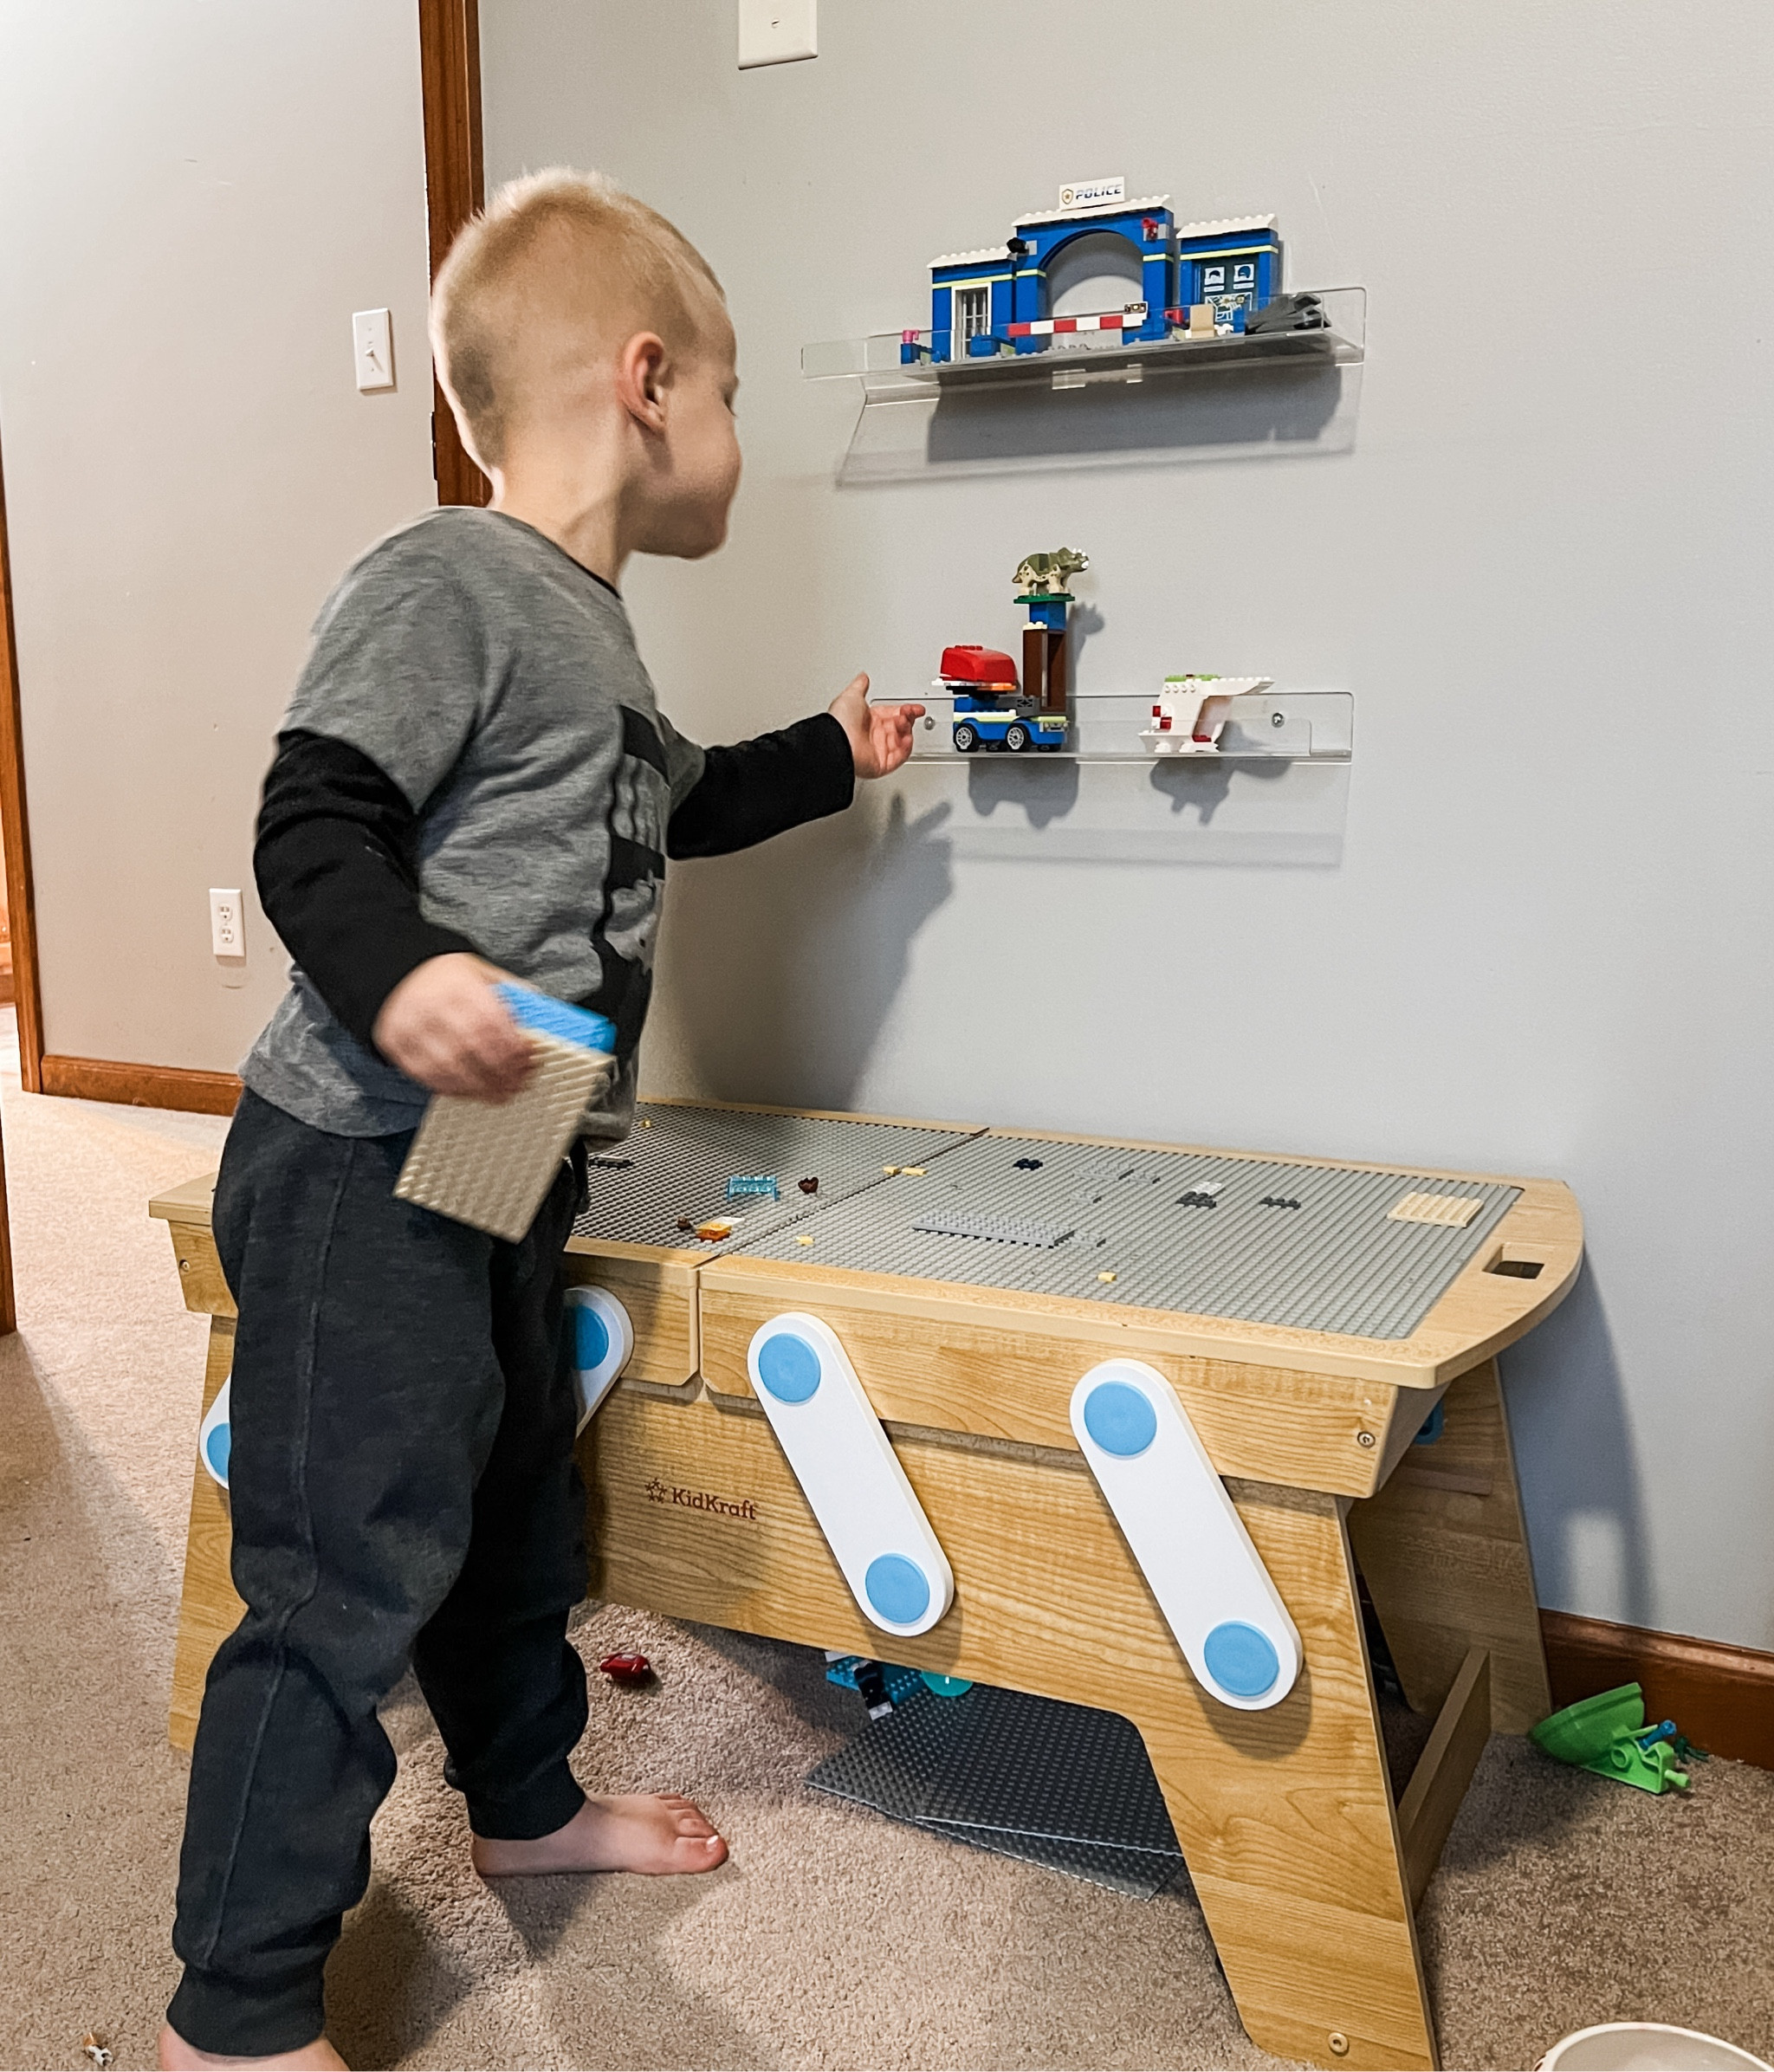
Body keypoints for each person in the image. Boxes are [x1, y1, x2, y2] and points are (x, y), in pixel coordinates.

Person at [159, 169, 923, 2071]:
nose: (738, 435)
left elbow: (683, 796)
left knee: (512, 1506)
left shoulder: (590, 635)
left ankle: (520, 1802)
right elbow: (311, 815)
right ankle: (230, 2018)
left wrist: (841, 754)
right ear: (647, 383)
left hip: (502, 1150)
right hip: (359, 1153)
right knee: (342, 1576)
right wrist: (401, 969)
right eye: (733, 390)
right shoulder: (444, 580)